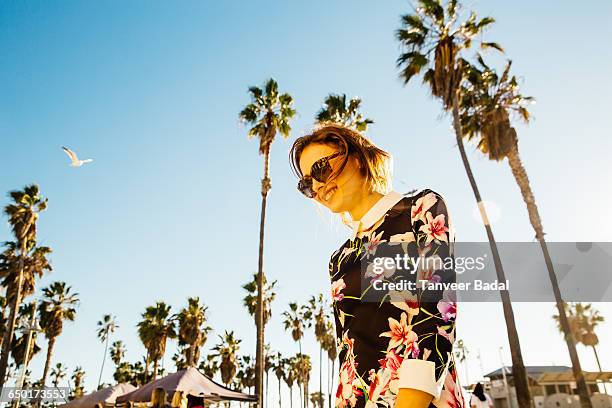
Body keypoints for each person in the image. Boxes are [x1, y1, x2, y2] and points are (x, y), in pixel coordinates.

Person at [290, 124, 462, 408]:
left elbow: (438, 315)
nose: (318, 187)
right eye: (307, 184)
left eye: (320, 169)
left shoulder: (420, 210)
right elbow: (349, 352)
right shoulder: (339, 258)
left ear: (356, 157)